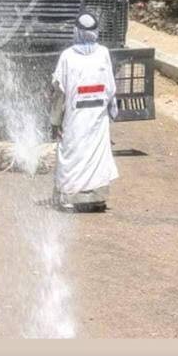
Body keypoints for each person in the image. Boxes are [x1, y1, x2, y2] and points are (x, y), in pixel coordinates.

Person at [50, 12, 118, 213]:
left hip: (75, 117)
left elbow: (59, 92)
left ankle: (68, 197)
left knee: (71, 153)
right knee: (97, 153)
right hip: (97, 117)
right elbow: (110, 87)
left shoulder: (67, 56)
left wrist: (55, 120)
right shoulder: (103, 53)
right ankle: (98, 198)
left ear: (76, 32)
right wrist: (112, 109)